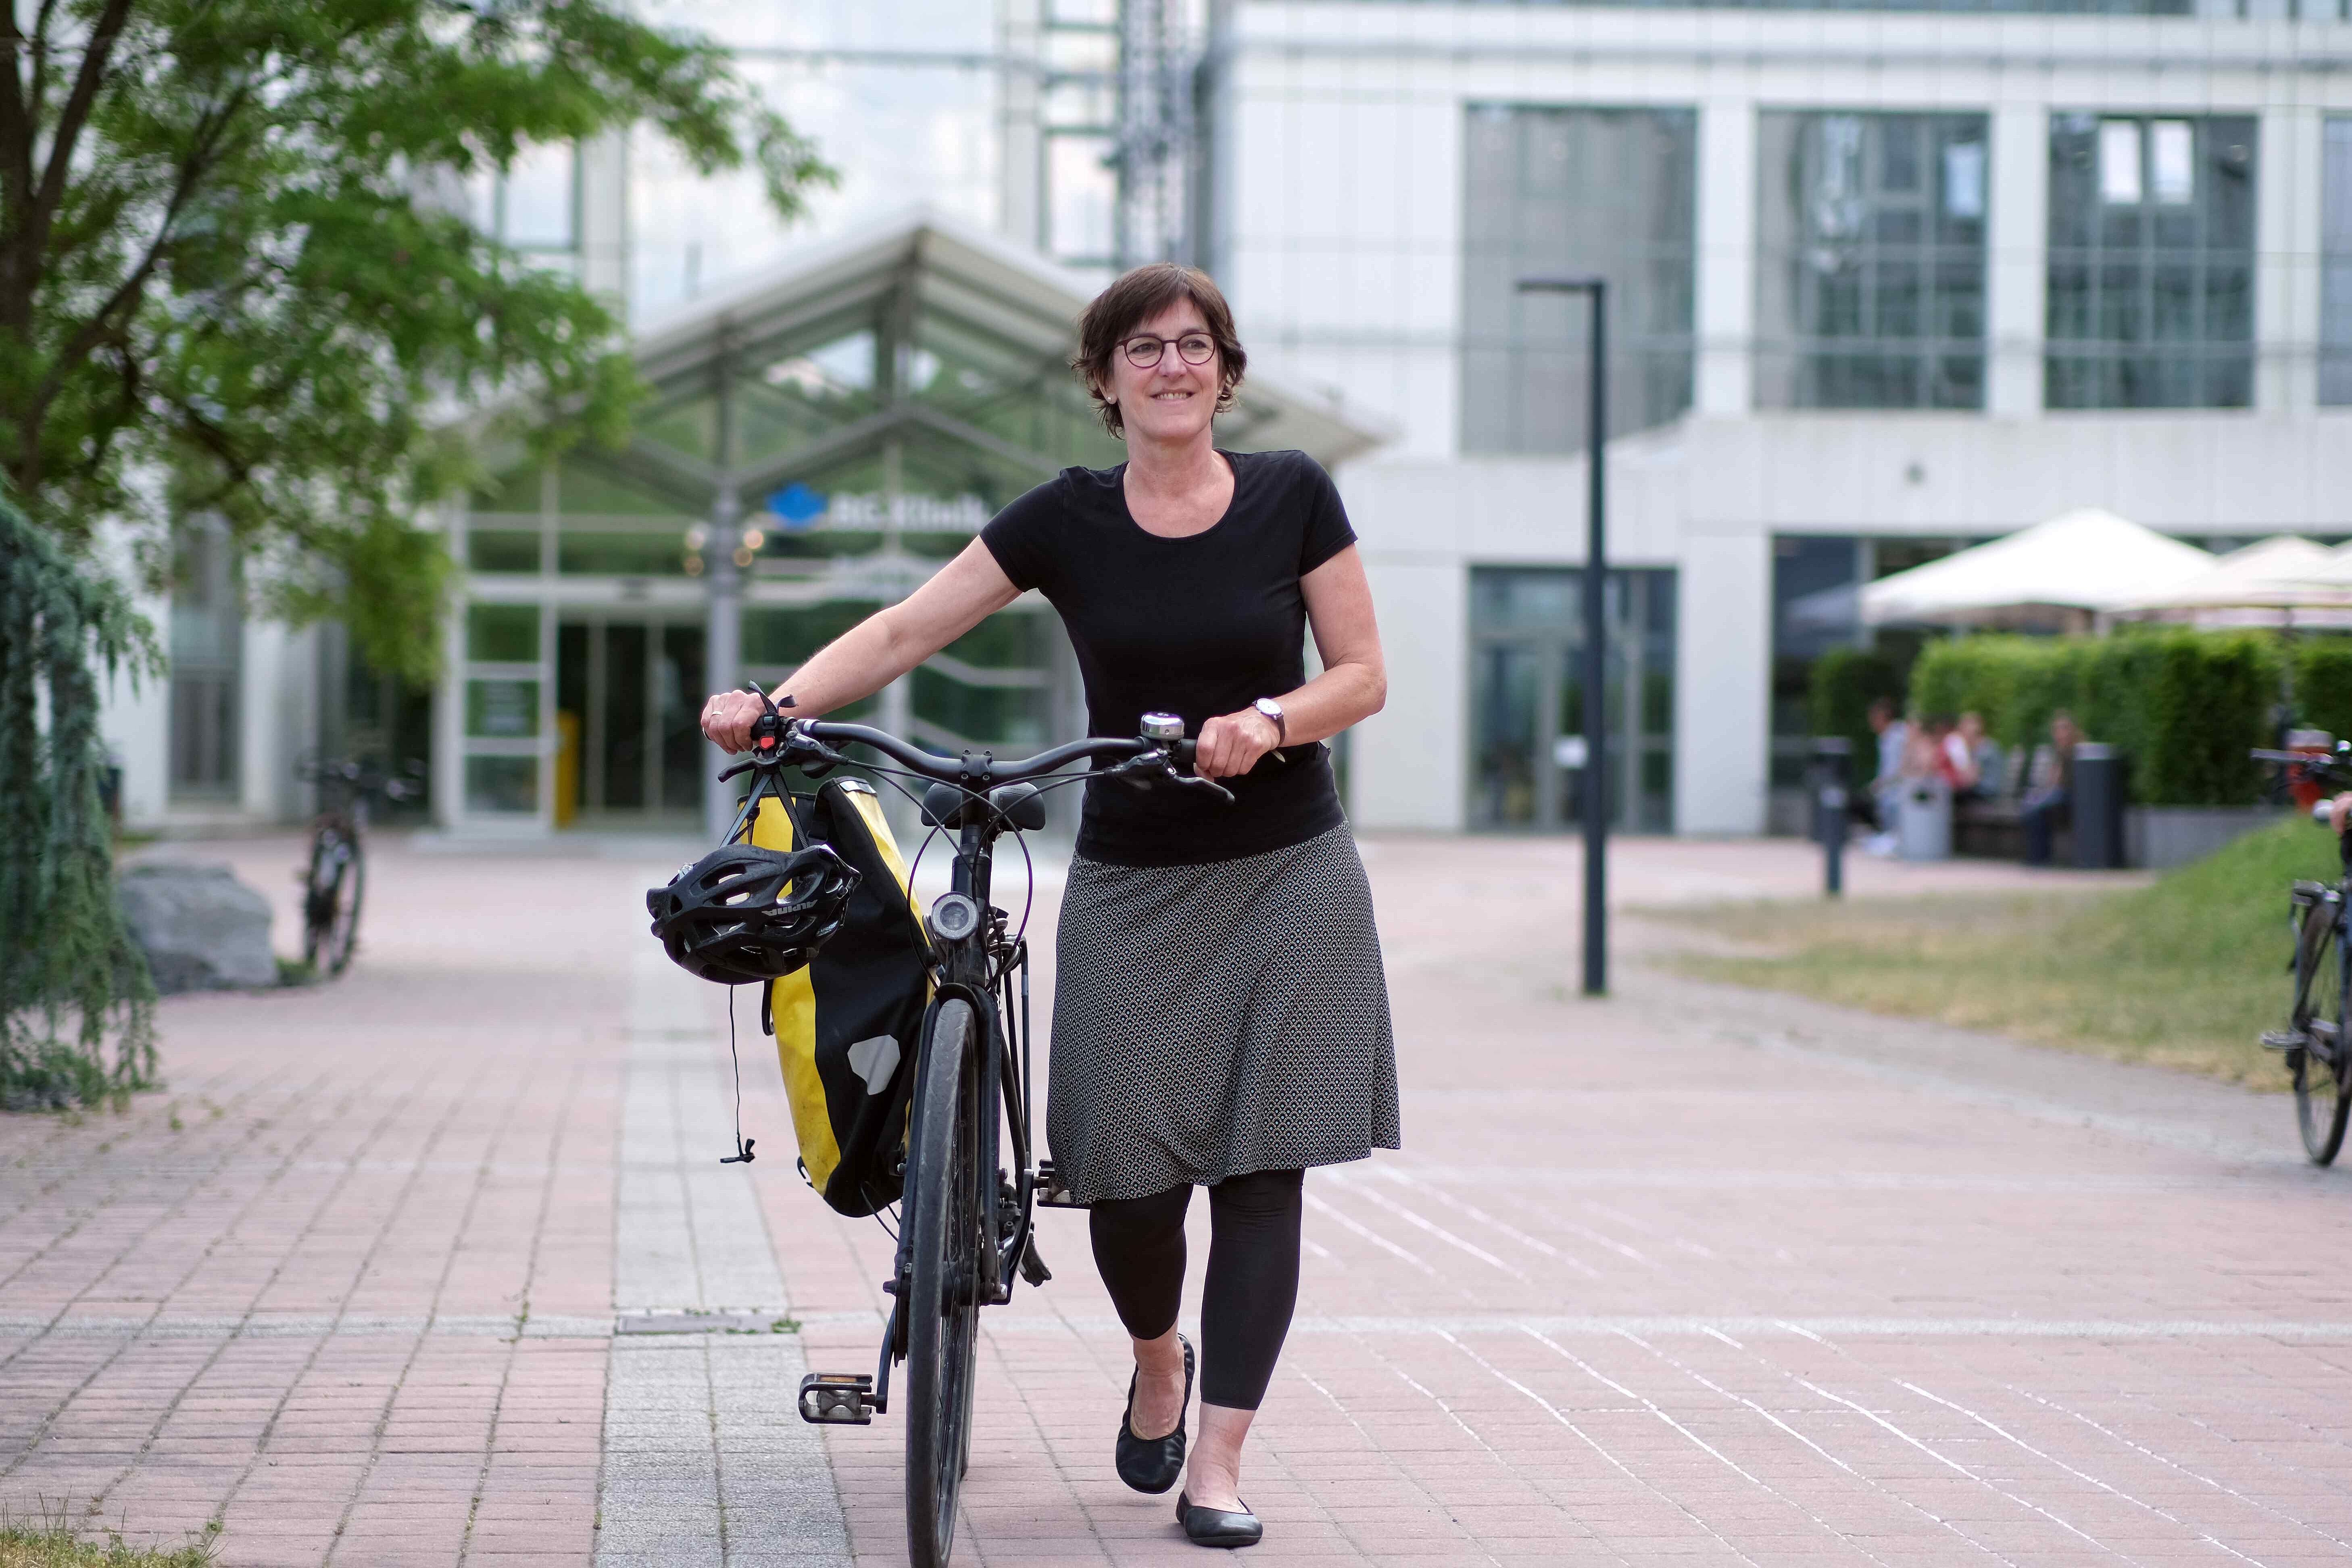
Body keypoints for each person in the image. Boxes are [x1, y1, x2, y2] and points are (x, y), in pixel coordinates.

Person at [700, 262, 1399, 1551]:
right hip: (1133, 880)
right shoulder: (1068, 519)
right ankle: (1154, 1357)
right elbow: (912, 628)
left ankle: (1220, 1463)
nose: (1173, 367)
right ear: (1103, 378)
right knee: (1127, 1182)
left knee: (1261, 1175)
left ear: (1227, 373)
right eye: (1145, 348)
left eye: (1196, 347)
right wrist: (777, 704)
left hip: (1290, 873)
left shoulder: (1295, 495)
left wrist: (1269, 719)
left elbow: (1361, 675)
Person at [2021, 710, 2081, 865]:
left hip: (2070, 798)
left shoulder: (2077, 752)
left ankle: (2039, 859)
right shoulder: (2059, 752)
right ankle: (2037, 857)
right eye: (2057, 730)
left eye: (2064, 729)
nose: (2060, 734)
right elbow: (2052, 781)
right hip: (2057, 795)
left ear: (2072, 731)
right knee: (2031, 806)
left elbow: (2065, 783)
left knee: (2036, 809)